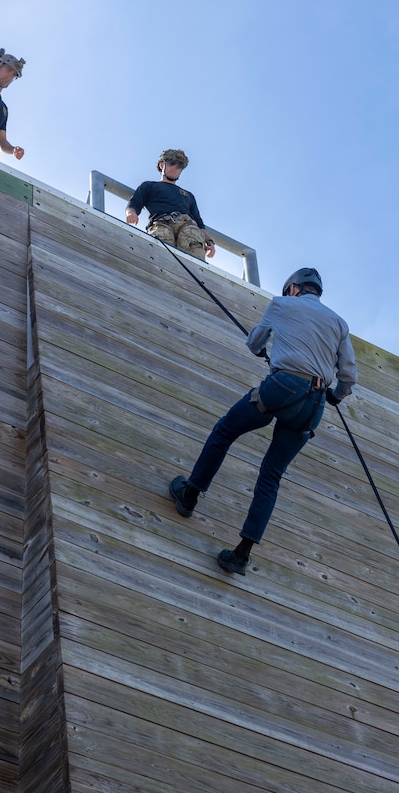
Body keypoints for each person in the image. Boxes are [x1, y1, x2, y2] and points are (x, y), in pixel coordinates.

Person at [169, 267, 358, 576]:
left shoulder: (282, 304)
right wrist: (335, 395)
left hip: (281, 387)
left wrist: (265, 353)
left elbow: (255, 342)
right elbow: (349, 375)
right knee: (271, 476)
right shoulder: (338, 323)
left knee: (225, 431)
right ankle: (241, 555)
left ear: (294, 289)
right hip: (314, 405)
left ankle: (189, 495)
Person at [125, 149, 215, 260]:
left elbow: (199, 223)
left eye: (180, 166)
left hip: (187, 226)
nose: (176, 168)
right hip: (161, 223)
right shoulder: (149, 186)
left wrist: (209, 241)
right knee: (161, 256)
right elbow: (135, 203)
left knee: (195, 255)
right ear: (162, 165)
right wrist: (131, 213)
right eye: (172, 163)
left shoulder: (188, 195)